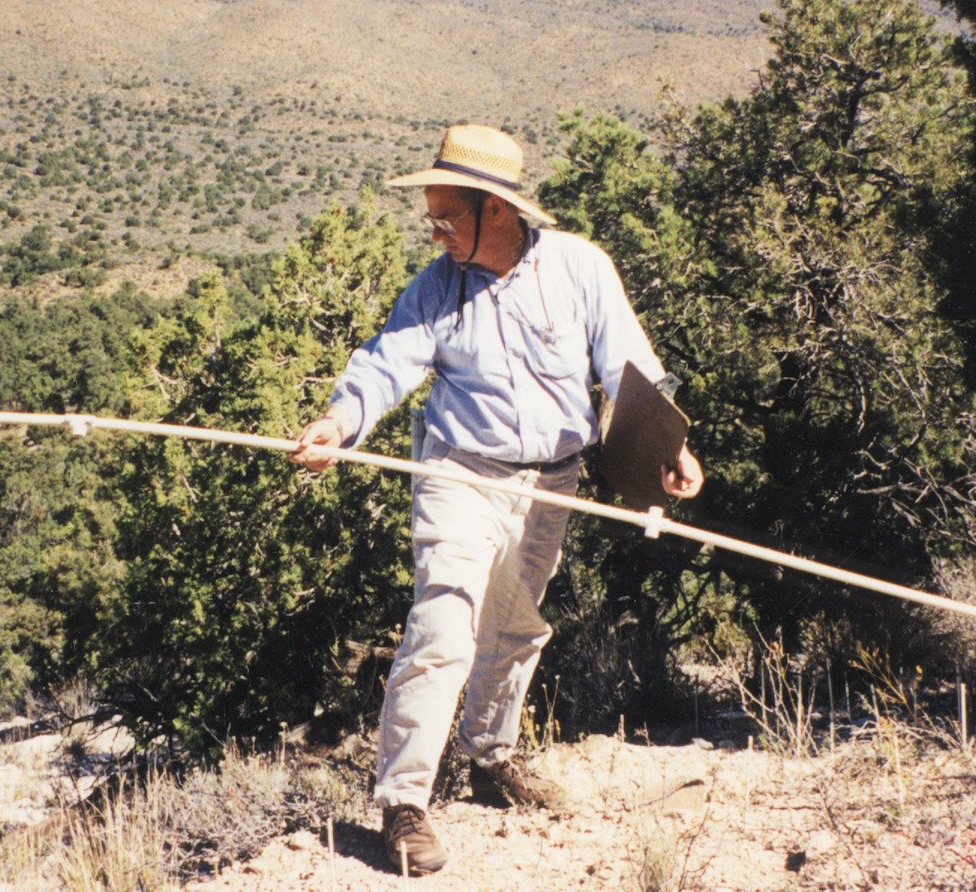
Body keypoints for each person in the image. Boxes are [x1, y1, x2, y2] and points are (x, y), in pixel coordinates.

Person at [291, 124, 702, 876]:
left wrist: (668, 449)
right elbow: (385, 367)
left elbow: (631, 367)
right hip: (458, 473)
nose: (436, 230)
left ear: (501, 212)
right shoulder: (436, 288)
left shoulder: (580, 267)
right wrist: (338, 423)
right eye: (433, 216)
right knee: (444, 623)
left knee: (514, 626)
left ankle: (490, 758)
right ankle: (403, 804)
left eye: (449, 216)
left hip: (554, 481)